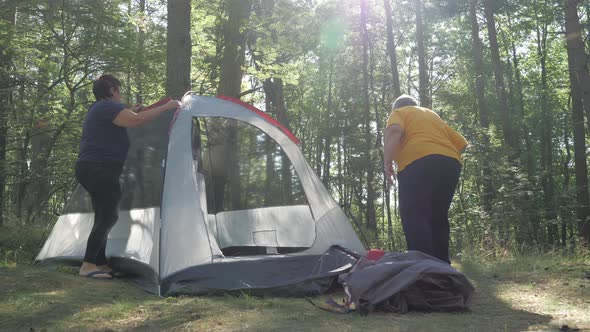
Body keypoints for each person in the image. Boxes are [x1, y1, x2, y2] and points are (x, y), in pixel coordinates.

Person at [76, 74, 180, 279]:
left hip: (91, 168)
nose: (120, 93)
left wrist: (136, 112)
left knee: (103, 214)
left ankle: (100, 263)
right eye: (119, 90)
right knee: (109, 216)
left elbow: (131, 117)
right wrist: (168, 107)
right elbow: (137, 120)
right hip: (100, 169)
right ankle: (87, 265)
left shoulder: (99, 109)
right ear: (112, 90)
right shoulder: (107, 107)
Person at [383, 94, 467, 264]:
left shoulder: (400, 112)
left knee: (414, 214)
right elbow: (462, 144)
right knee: (438, 216)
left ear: (397, 107)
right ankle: (442, 266)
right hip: (451, 162)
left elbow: (394, 131)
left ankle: (423, 267)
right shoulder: (431, 115)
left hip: (417, 162)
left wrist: (387, 162)